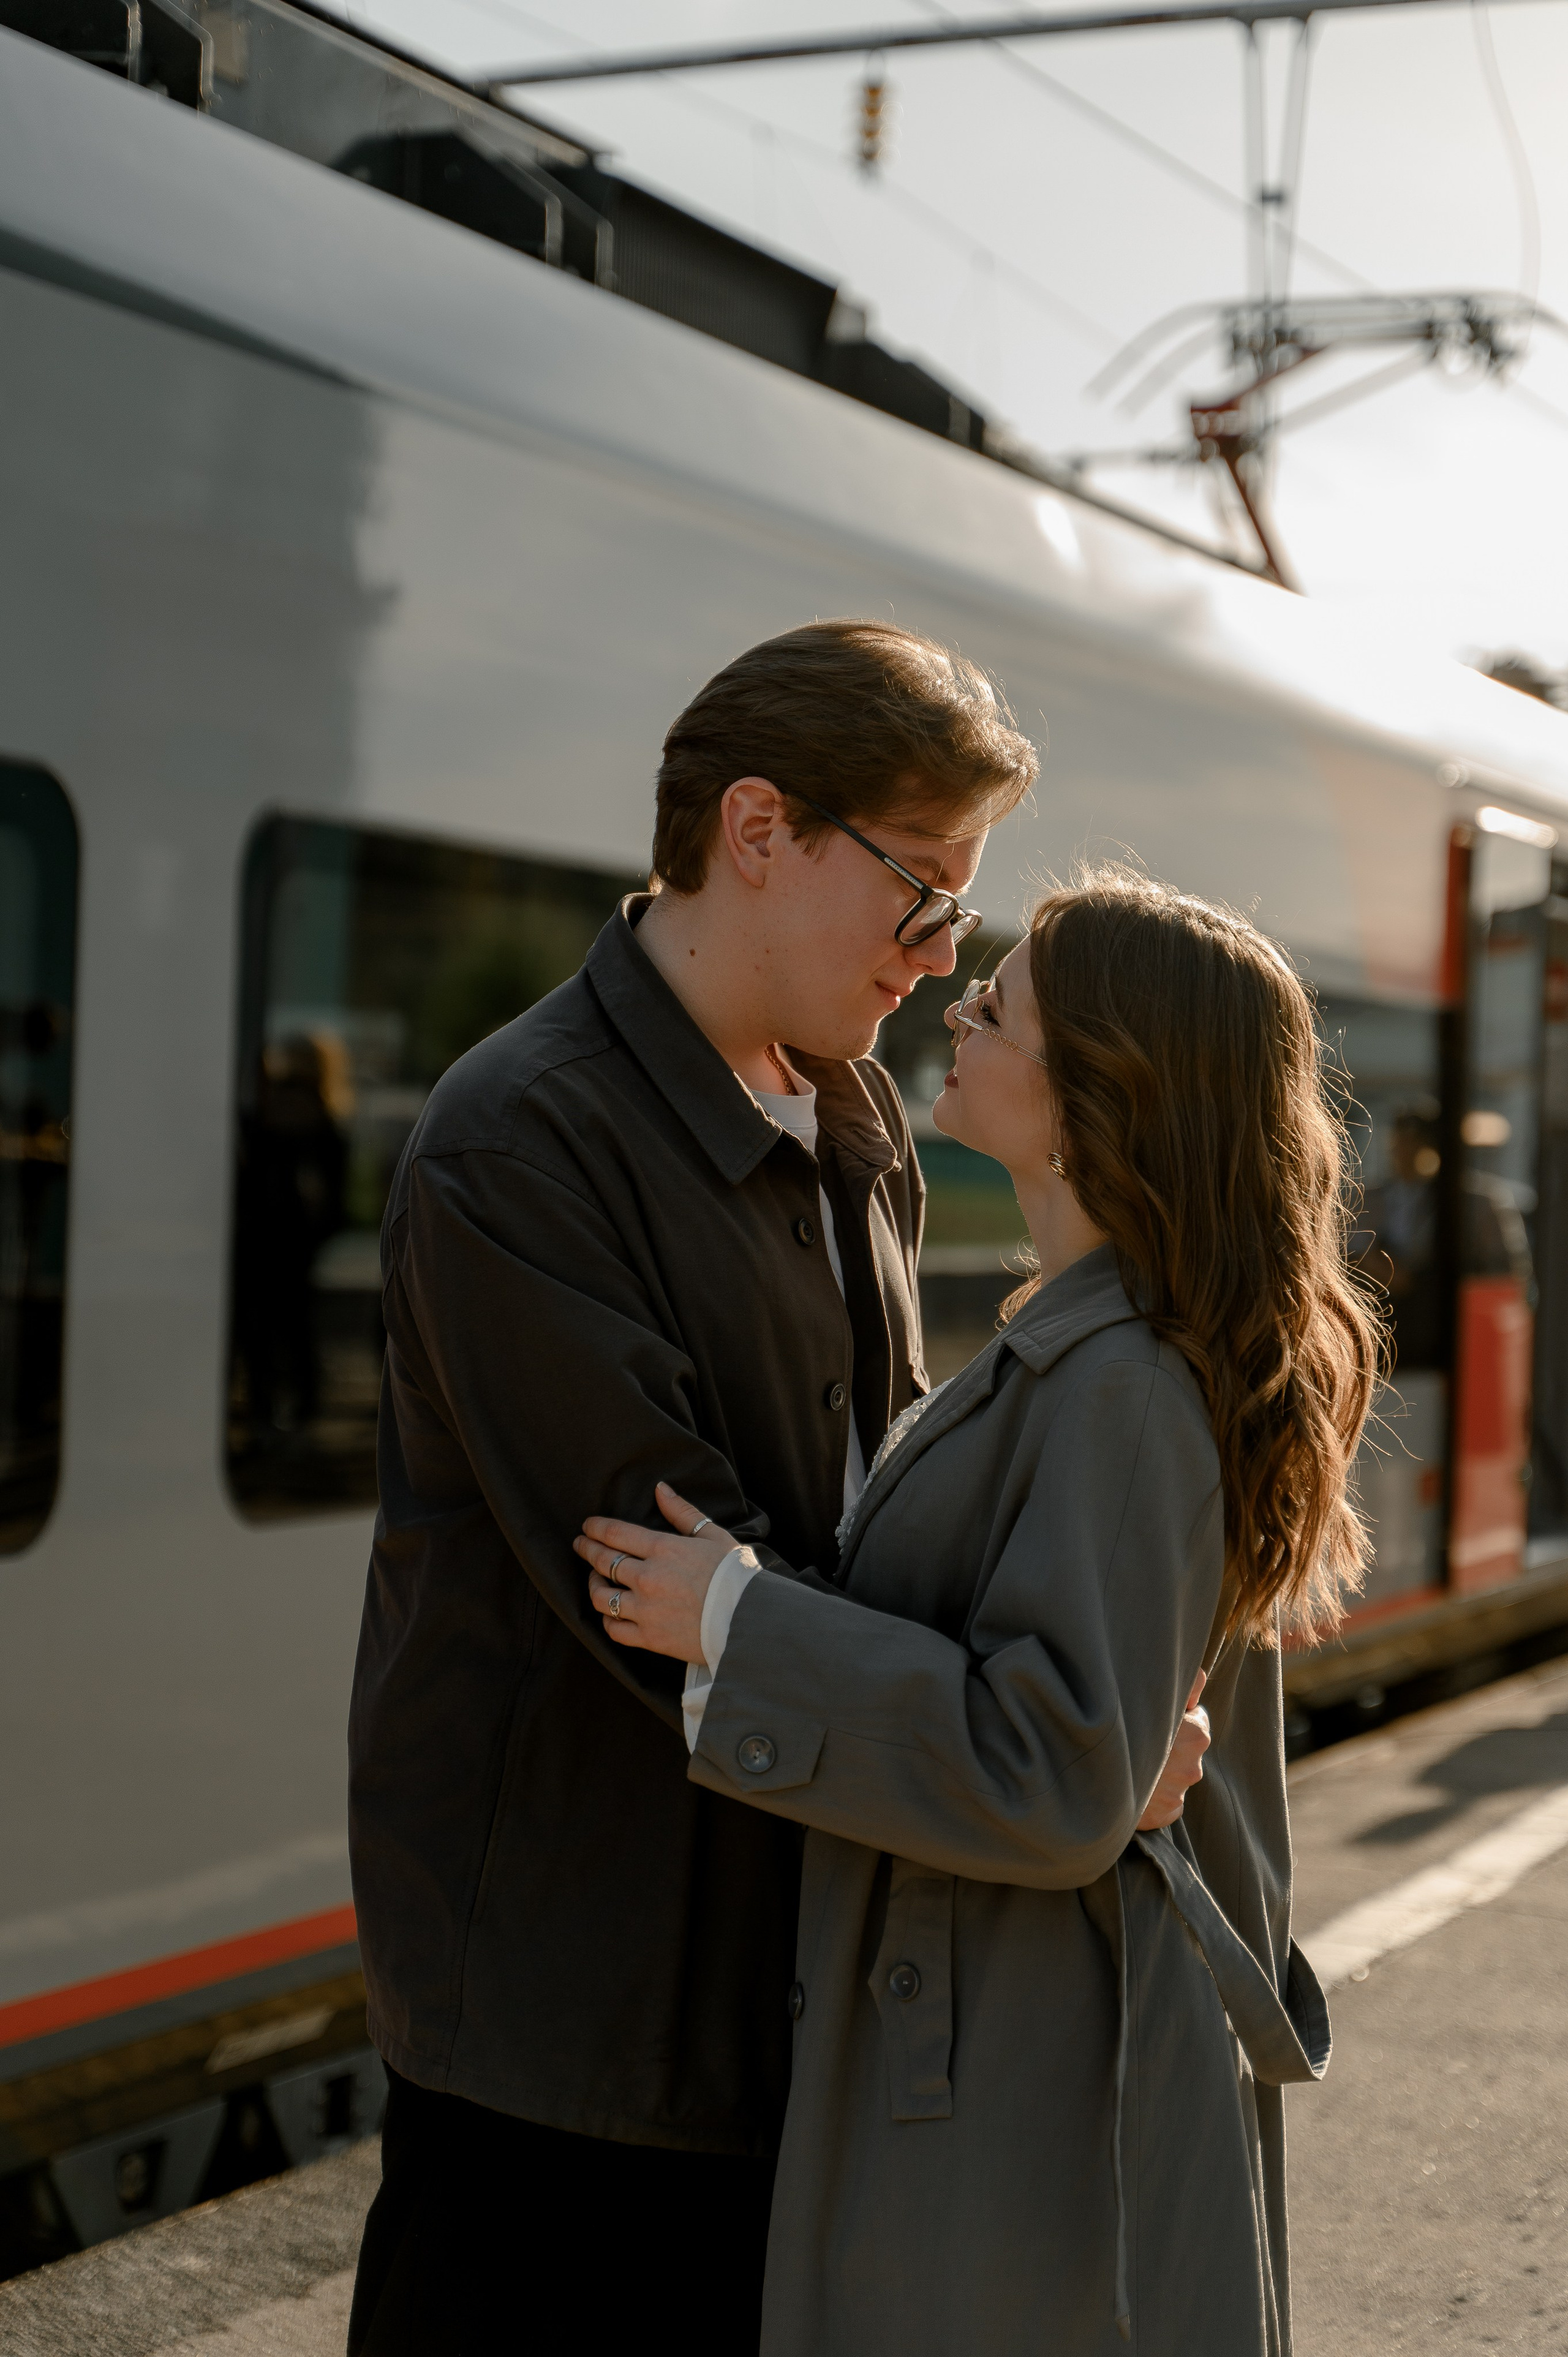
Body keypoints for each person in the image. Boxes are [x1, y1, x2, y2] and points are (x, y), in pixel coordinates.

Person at [345, 627, 1208, 2356]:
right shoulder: (521, 1139)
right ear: (757, 830)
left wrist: (1068, 1718)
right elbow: (665, 1593)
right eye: (920, 891)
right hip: (576, 2056)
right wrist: (1036, 1752)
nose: (942, 953)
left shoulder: (852, 1115)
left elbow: (865, 1527)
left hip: (794, 2001)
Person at [578, 870, 1383, 2357]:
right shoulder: (1096, 1348)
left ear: (1093, 1096)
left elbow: (1054, 1770)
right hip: (1015, 2034)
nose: (958, 1005)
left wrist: (740, 1627)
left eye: (1000, 1006)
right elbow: (1091, 1739)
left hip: (1022, 2072)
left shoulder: (1120, 1385)